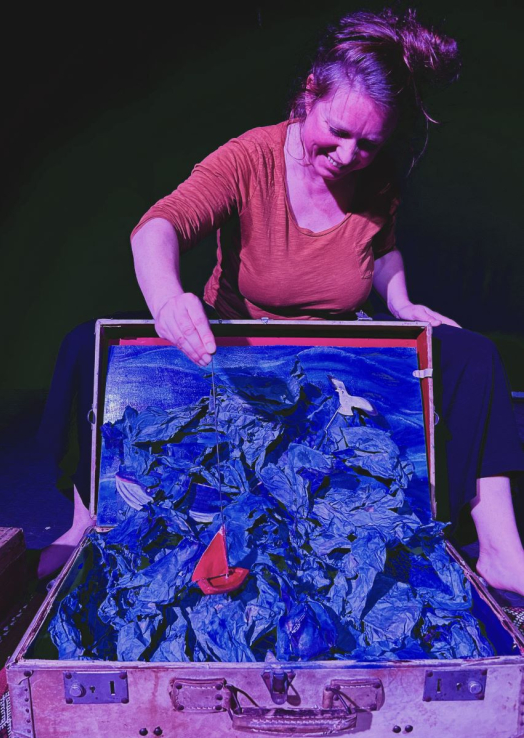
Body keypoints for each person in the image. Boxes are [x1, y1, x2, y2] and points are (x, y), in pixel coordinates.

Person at [129, 8, 524, 597]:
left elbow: (380, 247)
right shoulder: (250, 157)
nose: (346, 154)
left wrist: (401, 302)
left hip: (336, 359)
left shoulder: (377, 177)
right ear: (310, 93)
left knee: (473, 355)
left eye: (367, 143)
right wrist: (167, 301)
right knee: (88, 349)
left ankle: (500, 552)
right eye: (337, 132)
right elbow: (159, 225)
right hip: (241, 352)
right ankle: (85, 525)